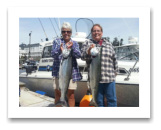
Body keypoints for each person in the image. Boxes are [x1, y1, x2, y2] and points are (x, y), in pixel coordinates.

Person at [81, 24, 119, 107]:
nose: (96, 32)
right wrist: (89, 51)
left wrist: (116, 71)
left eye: (98, 31)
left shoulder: (108, 43)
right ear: (91, 33)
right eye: (94, 31)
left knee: (112, 100)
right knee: (99, 101)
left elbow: (114, 58)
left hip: (109, 77)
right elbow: (83, 57)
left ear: (102, 32)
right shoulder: (87, 42)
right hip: (95, 80)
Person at [51, 22, 82, 107]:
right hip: (58, 72)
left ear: (71, 32)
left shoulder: (74, 43)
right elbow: (53, 54)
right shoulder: (57, 41)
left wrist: (72, 49)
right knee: (58, 94)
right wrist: (59, 50)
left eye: (68, 31)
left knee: (71, 96)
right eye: (64, 31)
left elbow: (79, 55)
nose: (66, 33)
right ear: (61, 32)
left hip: (71, 73)